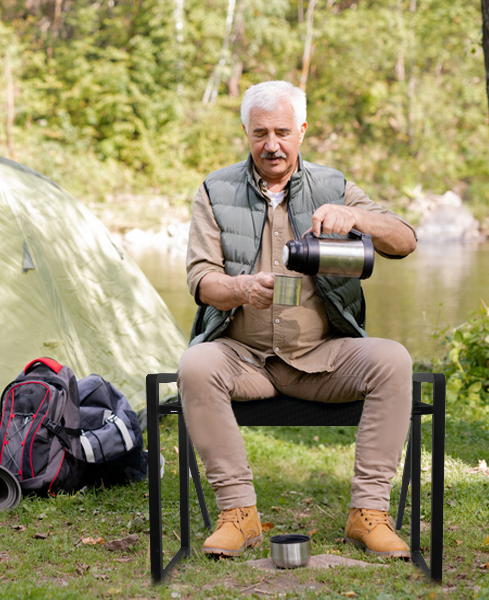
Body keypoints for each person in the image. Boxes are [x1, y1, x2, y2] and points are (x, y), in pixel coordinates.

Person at [179, 80, 419, 559]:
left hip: (320, 358)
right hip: (245, 359)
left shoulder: (334, 185)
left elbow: (405, 240)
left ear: (302, 131)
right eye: (261, 132)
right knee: (196, 365)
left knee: (393, 359)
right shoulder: (214, 189)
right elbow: (200, 278)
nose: (272, 145)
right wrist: (240, 289)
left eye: (283, 132)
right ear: (245, 131)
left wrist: (355, 217)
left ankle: (368, 513)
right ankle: (238, 514)